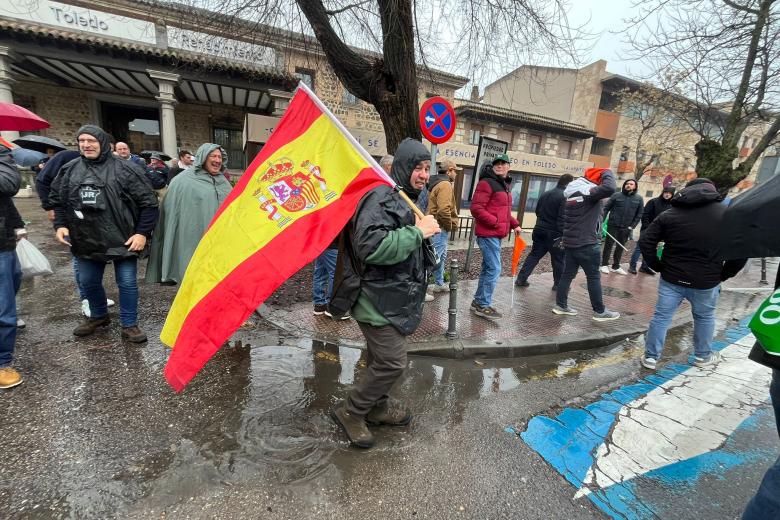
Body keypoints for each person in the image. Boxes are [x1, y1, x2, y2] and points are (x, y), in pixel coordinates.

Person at [327, 138, 440, 449]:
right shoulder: (379, 198)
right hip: (375, 299)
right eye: (418, 167)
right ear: (403, 167)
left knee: (379, 358)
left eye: (428, 168)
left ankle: (376, 406)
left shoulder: (409, 198)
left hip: (395, 296)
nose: (423, 174)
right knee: (393, 362)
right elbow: (371, 247)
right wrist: (418, 232)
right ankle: (351, 411)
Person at [49, 125, 159, 343]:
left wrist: (142, 233)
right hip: (85, 237)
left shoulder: (125, 169)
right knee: (88, 281)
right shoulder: (70, 169)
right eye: (82, 141)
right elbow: (58, 200)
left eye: (91, 140)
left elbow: (149, 203)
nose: (86, 145)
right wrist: (60, 225)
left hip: (123, 237)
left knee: (127, 282)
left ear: (102, 143)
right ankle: (99, 315)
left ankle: (129, 324)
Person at [638, 178, 746, 369]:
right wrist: (723, 274)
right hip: (706, 280)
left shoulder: (670, 214)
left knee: (662, 317)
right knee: (704, 317)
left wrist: (657, 265)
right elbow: (742, 251)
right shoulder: (729, 215)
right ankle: (703, 356)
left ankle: (651, 357)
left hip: (672, 277)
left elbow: (646, 241)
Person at [35, 149, 115, 316]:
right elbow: (42, 180)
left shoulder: (106, 163)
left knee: (95, 260)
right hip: (73, 218)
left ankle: (96, 297)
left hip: (95, 221)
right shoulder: (67, 158)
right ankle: (86, 300)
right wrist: (49, 207)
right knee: (81, 260)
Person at [146, 143, 232, 285]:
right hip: (192, 238)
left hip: (219, 239)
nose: (217, 160)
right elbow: (171, 214)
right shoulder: (182, 181)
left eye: (220, 157)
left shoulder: (223, 182)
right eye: (213, 156)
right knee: (193, 278)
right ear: (203, 157)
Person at [553, 167, 620, 321]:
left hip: (571, 243)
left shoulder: (572, 193)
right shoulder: (588, 192)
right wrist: (607, 172)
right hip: (587, 244)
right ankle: (600, 312)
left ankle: (561, 305)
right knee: (593, 277)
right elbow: (610, 188)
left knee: (567, 275)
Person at [470, 154, 521, 320]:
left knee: (488, 268)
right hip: (488, 233)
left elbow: (503, 211)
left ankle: (478, 302)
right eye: (496, 164)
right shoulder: (487, 183)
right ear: (492, 166)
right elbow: (476, 209)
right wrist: (496, 223)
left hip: (494, 233)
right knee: (494, 269)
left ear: (508, 166)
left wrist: (514, 224)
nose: (499, 166)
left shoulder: (502, 185)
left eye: (503, 163)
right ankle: (483, 304)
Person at [515, 173, 573, 290]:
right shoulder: (565, 197)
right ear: (568, 184)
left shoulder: (545, 194)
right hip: (555, 233)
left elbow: (537, 211)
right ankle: (558, 285)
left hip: (539, 229)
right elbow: (562, 217)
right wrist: (564, 234)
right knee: (558, 259)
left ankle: (521, 279)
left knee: (534, 255)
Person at [0, 144, 25, 388]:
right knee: (4, 306)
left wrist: (17, 224)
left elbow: (8, 186)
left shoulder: (1, 154)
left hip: (2, 242)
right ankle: (2, 361)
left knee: (9, 294)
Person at [427, 159, 461, 294]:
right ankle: (421, 288)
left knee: (441, 257)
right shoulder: (445, 184)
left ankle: (439, 283)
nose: (456, 174)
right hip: (440, 228)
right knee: (435, 259)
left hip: (436, 226)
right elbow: (443, 210)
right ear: (449, 171)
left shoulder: (436, 183)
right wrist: (449, 225)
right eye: (455, 171)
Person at [629, 186, 675, 275]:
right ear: (663, 192)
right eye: (666, 192)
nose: (667, 194)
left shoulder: (671, 206)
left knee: (652, 249)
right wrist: (647, 227)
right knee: (639, 248)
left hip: (660, 232)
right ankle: (632, 266)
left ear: (672, 195)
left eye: (669, 193)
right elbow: (645, 214)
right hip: (647, 230)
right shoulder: (653, 201)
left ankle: (645, 267)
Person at [601, 178, 643, 275]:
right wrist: (602, 221)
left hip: (626, 227)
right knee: (608, 245)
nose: (629, 185)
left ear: (635, 186)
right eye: (627, 183)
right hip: (613, 225)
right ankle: (604, 264)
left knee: (620, 246)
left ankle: (616, 266)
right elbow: (606, 208)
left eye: (631, 184)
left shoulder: (639, 199)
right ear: (624, 185)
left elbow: (639, 214)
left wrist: (632, 226)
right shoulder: (616, 195)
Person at [312, 237, 349, 320]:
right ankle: (332, 307)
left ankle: (319, 305)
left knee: (320, 274)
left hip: (320, 244)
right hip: (333, 245)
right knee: (336, 275)